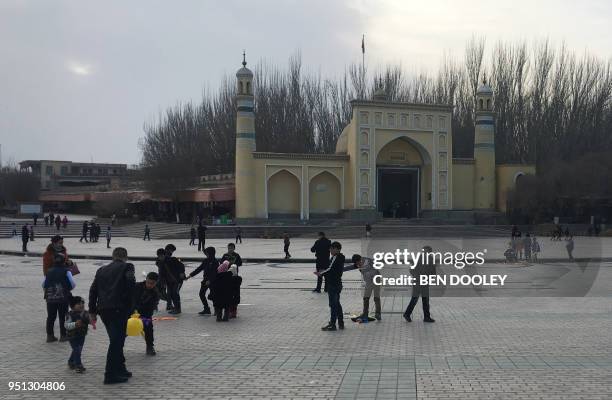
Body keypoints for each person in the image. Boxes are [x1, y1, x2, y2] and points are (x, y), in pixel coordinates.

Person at [88, 247, 136, 385]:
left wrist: (92, 311)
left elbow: (93, 290)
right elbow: (130, 285)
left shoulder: (101, 270)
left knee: (117, 340)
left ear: (113, 256)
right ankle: (110, 375)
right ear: (125, 257)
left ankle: (121, 369)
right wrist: (131, 307)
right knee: (116, 342)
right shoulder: (128, 267)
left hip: (104, 310)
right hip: (119, 309)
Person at [43, 254, 76, 342]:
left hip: (50, 298)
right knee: (63, 316)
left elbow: (44, 284)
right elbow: (72, 284)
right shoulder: (66, 271)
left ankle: (50, 336)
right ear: (64, 261)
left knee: (51, 316)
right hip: (63, 297)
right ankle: (63, 335)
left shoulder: (49, 271)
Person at [317, 241, 346, 331]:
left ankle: (333, 324)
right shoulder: (340, 257)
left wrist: (321, 273)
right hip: (337, 283)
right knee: (337, 304)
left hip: (333, 284)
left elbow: (330, 269)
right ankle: (341, 323)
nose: (330, 250)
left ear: (337, 249)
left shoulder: (336, 257)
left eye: (332, 248)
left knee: (333, 305)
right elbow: (332, 269)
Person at [403, 245, 436, 323]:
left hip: (417, 281)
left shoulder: (418, 258)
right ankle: (426, 317)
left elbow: (411, 270)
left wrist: (416, 276)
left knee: (415, 299)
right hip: (423, 282)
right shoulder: (430, 259)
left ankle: (407, 314)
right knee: (425, 300)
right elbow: (433, 271)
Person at [132, 272, 160, 356]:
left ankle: (150, 347)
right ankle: (118, 347)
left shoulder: (155, 293)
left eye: (152, 283)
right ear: (146, 279)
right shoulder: (137, 286)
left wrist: (142, 317)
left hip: (145, 314)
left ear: (156, 283)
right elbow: (129, 298)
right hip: (131, 312)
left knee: (148, 329)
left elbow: (151, 308)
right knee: (124, 329)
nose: (149, 285)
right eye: (148, 282)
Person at [185, 246, 218, 315]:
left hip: (213, 281)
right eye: (206, 253)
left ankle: (217, 310)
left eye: (207, 253)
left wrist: (210, 280)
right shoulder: (206, 261)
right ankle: (206, 309)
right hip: (205, 280)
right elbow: (199, 269)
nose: (206, 254)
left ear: (211, 253)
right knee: (201, 294)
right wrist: (190, 276)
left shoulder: (215, 262)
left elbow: (215, 273)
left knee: (214, 296)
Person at [350, 254, 381, 321]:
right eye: (356, 263)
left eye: (358, 262)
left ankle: (378, 314)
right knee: (366, 298)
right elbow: (363, 273)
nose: (358, 264)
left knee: (376, 297)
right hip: (369, 281)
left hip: (376, 279)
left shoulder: (369, 261)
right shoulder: (358, 265)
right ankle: (365, 313)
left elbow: (376, 269)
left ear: (360, 259)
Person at [64, 296, 90, 373]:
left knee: (78, 349)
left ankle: (71, 361)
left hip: (82, 334)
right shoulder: (70, 315)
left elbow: (89, 320)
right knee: (77, 349)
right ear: (73, 306)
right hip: (72, 336)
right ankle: (78, 365)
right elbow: (66, 325)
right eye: (78, 304)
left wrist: (91, 321)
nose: (81, 305)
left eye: (82, 303)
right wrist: (75, 324)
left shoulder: (85, 313)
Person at [160, 244, 185, 314]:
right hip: (170, 281)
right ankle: (173, 307)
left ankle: (177, 308)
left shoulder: (172, 259)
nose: (172, 252)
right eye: (172, 250)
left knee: (174, 293)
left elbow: (181, 265)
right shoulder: (161, 262)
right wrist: (163, 282)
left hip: (177, 280)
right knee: (171, 293)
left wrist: (182, 273)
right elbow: (162, 274)